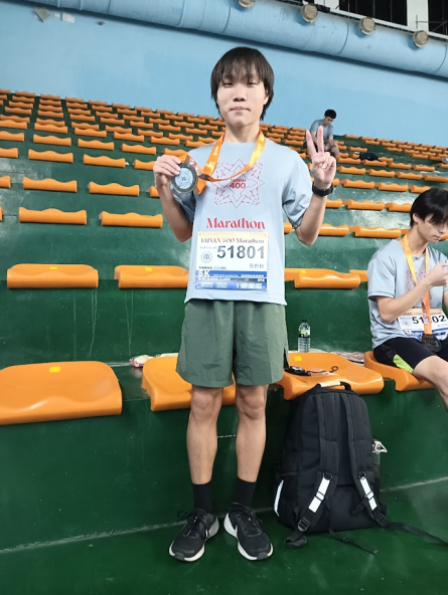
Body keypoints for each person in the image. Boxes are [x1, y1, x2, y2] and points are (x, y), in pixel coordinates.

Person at [154, 46, 336, 563]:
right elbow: (182, 230)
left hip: (262, 299)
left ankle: (241, 510)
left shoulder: (287, 161)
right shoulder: (194, 160)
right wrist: (164, 189)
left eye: (250, 83)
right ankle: (202, 512)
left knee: (255, 403)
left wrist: (321, 187)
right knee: (203, 403)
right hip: (208, 296)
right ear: (216, 96)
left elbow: (307, 235)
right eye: (228, 83)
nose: (239, 91)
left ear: (266, 96)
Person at [367, 188, 448, 408]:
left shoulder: (439, 259)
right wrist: (427, 283)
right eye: (436, 222)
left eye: (447, 224)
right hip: (394, 339)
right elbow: (386, 313)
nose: (442, 230)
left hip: (436, 335)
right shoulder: (385, 258)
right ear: (416, 217)